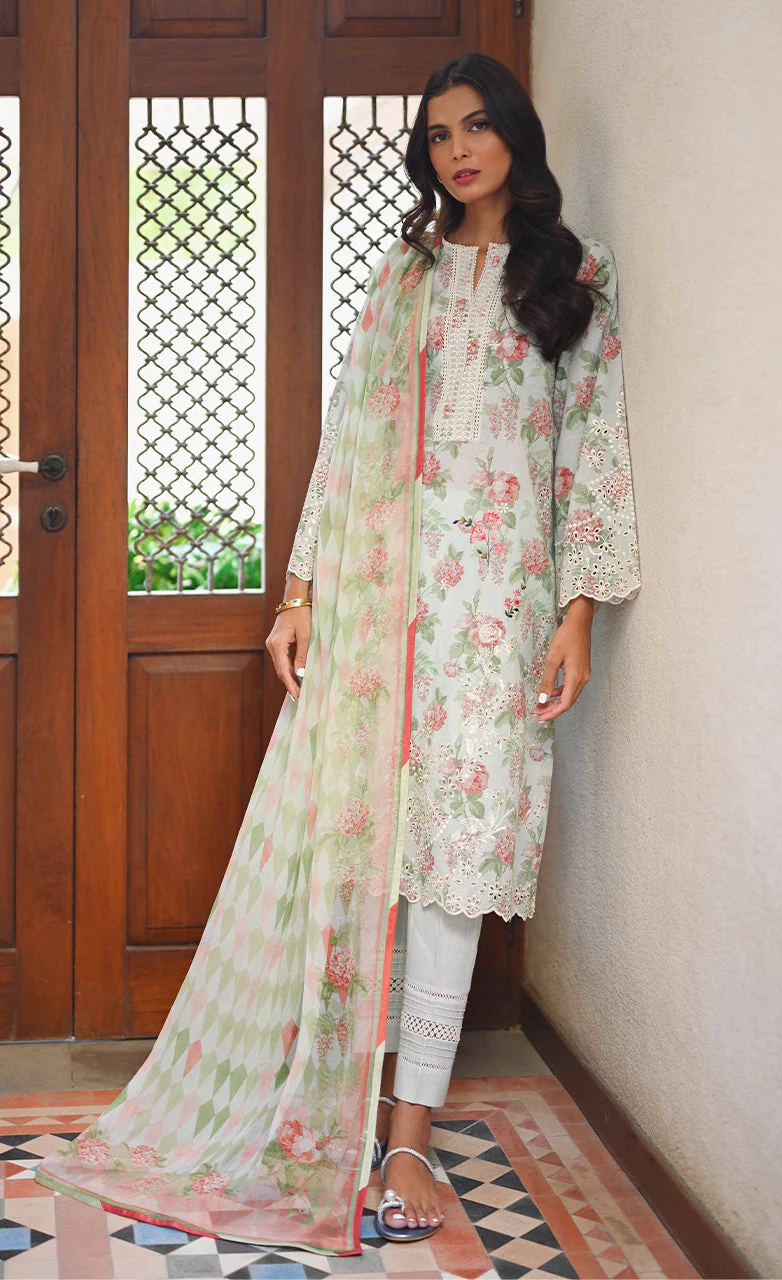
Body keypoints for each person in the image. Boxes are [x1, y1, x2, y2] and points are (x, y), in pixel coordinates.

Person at [34, 52, 640, 1254]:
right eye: (438, 135)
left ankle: (407, 1130)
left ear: (514, 134)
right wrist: (301, 590)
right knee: (365, 853)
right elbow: (349, 435)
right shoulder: (403, 274)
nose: (457, 151)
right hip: (379, 607)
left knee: (459, 862)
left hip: (498, 616)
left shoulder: (575, 277)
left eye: (476, 126)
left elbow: (594, 450)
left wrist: (575, 612)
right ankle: (330, 1102)